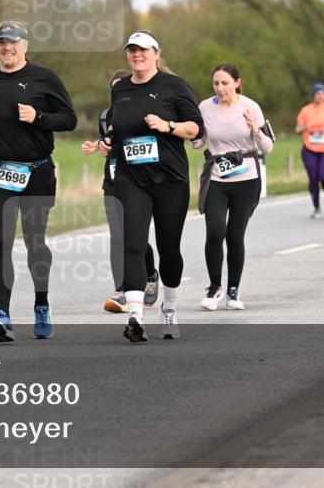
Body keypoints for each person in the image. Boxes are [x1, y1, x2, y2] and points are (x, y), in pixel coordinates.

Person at [0, 20, 77, 342]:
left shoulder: (44, 78)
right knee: (1, 241)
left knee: (34, 242)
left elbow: (70, 120)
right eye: (2, 42)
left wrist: (39, 118)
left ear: (25, 46)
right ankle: (2, 313)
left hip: (37, 172)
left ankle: (41, 304)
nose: (7, 48)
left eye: (13, 42)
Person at [99, 30, 203, 342]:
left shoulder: (174, 85)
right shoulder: (122, 90)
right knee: (132, 243)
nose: (137, 55)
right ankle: (135, 315)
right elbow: (120, 130)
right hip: (132, 179)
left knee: (169, 249)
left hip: (170, 179)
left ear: (156, 53)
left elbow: (196, 128)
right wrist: (108, 142)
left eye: (143, 50)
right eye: (132, 51)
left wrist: (168, 126)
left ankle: (169, 308)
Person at [193, 63, 274, 311]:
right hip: (217, 177)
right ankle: (214, 287)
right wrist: (191, 132)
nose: (220, 88)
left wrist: (255, 129)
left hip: (246, 178)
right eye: (216, 83)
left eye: (225, 83)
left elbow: (268, 147)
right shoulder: (205, 107)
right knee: (215, 232)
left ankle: (233, 290)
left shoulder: (251, 106)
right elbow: (197, 144)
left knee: (235, 235)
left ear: (237, 82)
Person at [81, 70, 158, 313]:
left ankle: (150, 275)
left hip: (139, 179)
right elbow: (107, 140)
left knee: (135, 236)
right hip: (114, 179)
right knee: (118, 235)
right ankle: (122, 289)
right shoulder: (106, 115)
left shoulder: (143, 112)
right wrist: (97, 146)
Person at [296, 83, 324, 217]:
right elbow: (298, 130)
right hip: (309, 149)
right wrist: (305, 127)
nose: (321, 96)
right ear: (313, 95)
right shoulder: (306, 110)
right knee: (313, 179)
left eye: (323, 94)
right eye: (318, 94)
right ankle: (316, 207)